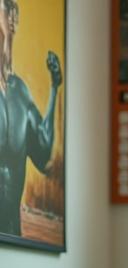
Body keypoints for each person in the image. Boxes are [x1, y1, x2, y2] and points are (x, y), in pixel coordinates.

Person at [0, 0, 62, 237]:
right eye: (6, 11)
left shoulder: (19, 91)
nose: (12, 16)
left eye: (13, 12)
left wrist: (55, 87)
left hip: (13, 235)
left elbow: (43, 153)